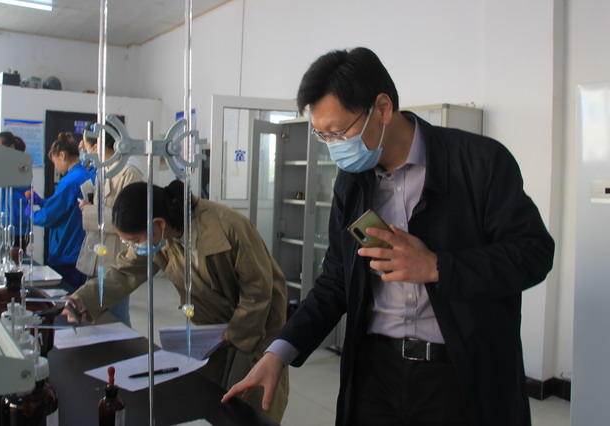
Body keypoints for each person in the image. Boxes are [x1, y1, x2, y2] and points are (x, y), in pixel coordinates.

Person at [222, 47, 555, 425]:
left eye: (339, 132)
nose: (334, 146)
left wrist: (437, 267)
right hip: (374, 373)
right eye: (322, 135)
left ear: (382, 108)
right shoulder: (351, 183)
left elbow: (534, 254)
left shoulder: (479, 162)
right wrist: (278, 354)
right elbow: (335, 281)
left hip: (457, 374)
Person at [64, 180, 290, 423]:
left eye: (134, 240)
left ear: (158, 224)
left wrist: (234, 333)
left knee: (248, 409)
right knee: (213, 400)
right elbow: (125, 270)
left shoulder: (228, 226)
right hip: (215, 333)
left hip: (255, 330)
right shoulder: (163, 239)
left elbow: (258, 291)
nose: (133, 247)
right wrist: (83, 299)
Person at [75, 123, 143, 326]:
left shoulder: (129, 172)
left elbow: (132, 221)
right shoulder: (104, 171)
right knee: (95, 314)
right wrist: (91, 208)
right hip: (99, 252)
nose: (83, 151)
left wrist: (91, 212)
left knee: (117, 318)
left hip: (115, 257)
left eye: (86, 147)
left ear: (97, 147)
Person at [26, 132, 93, 290]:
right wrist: (43, 202)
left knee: (66, 295)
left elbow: (49, 216)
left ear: (62, 155)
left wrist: (29, 215)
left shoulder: (69, 181)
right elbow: (68, 207)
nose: (55, 167)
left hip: (67, 251)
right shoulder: (85, 174)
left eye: (55, 161)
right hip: (80, 248)